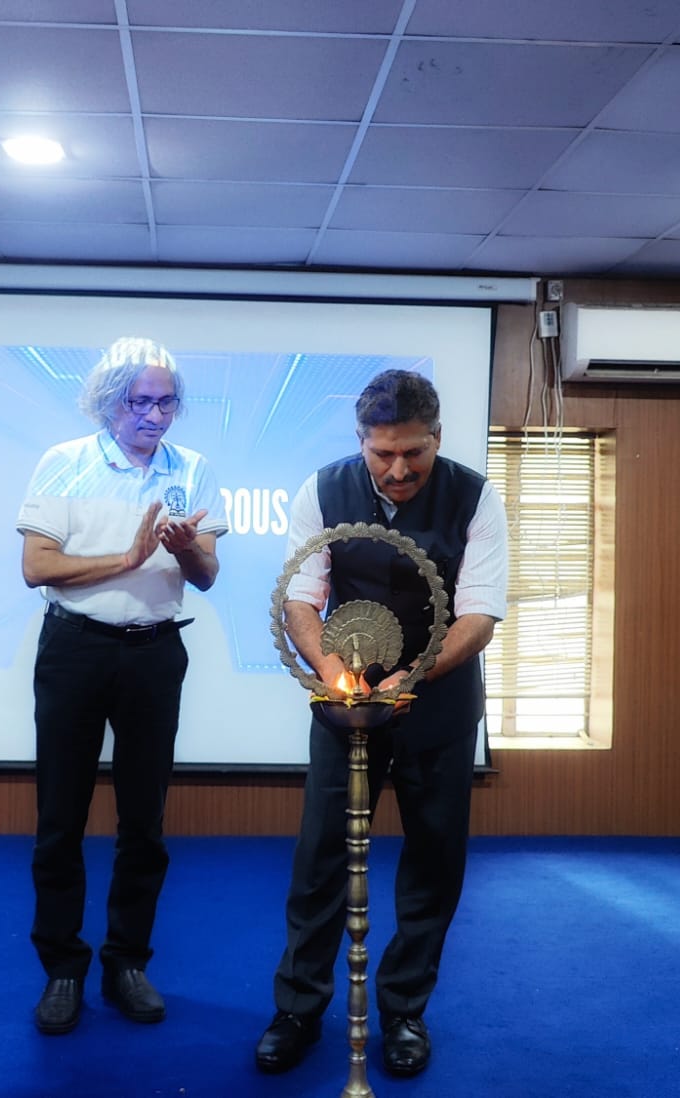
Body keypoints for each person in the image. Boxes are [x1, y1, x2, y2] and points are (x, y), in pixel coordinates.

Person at [254, 369, 507, 1081]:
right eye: (381, 455)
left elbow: (480, 614)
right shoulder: (320, 490)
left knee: (432, 865)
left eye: (414, 455)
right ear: (361, 442)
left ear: (437, 439)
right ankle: (298, 1009)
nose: (398, 471)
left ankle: (404, 1012)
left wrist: (413, 677)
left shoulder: (476, 497)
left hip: (439, 705)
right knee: (318, 863)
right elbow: (302, 601)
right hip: (347, 708)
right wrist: (335, 673)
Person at [17, 336, 228, 1036]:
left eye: (167, 402)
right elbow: (37, 566)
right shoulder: (64, 464)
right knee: (61, 818)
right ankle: (62, 968)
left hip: (155, 653)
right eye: (142, 402)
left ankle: (127, 961)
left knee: (145, 821)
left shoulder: (191, 469)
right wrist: (129, 556)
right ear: (110, 402)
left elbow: (206, 576)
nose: (157, 415)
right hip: (75, 649)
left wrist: (184, 549)